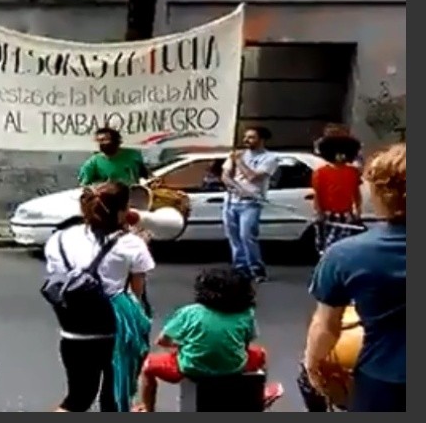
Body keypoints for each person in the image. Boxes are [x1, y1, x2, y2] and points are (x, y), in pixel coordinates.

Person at [305, 143, 405, 412]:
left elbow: (326, 326)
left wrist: (313, 366)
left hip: (384, 381)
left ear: (381, 194)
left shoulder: (346, 255)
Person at [44, 182, 154, 412]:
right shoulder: (131, 244)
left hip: (73, 330)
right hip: (115, 333)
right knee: (113, 400)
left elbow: (59, 279)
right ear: (123, 211)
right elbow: (137, 293)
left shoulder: (59, 238)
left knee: (77, 399)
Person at [134, 268, 265, 412]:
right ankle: (258, 396)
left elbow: (162, 341)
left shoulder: (190, 312)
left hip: (192, 368)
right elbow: (245, 343)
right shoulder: (246, 314)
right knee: (261, 354)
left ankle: (148, 407)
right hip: (233, 368)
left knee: (148, 366)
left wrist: (184, 345)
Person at [221, 127, 279, 282]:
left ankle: (256, 269)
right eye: (246, 137)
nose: (246, 140)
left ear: (262, 139)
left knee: (247, 236)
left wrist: (239, 161)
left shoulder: (270, 158)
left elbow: (253, 177)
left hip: (251, 203)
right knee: (234, 238)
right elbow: (225, 175)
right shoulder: (237, 155)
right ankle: (240, 269)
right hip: (231, 202)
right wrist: (235, 187)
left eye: (251, 137)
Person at [311, 135, 364, 255]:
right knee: (327, 246)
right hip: (328, 214)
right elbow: (317, 194)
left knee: (345, 244)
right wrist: (319, 213)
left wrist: (358, 210)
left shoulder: (353, 172)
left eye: (343, 153)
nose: (341, 156)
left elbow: (356, 192)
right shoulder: (320, 172)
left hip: (346, 213)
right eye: (337, 153)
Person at [79, 128, 149, 186]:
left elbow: (145, 174)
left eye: (105, 139)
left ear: (116, 140)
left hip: (133, 196)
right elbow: (84, 185)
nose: (102, 143)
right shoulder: (93, 163)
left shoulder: (133, 155)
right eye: (99, 141)